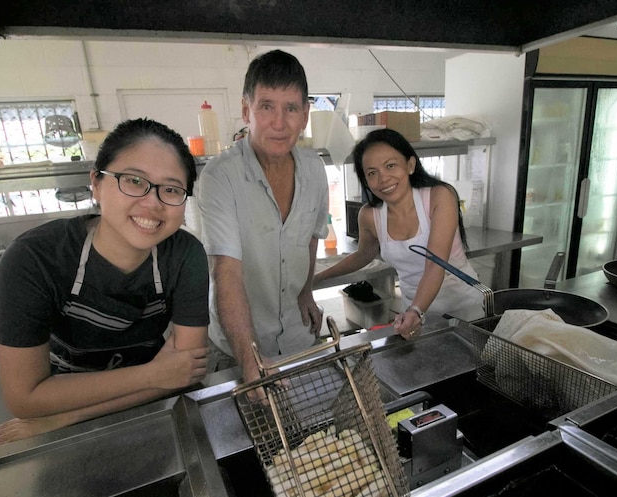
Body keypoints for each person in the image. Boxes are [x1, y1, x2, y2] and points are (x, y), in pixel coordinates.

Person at [0, 118, 210, 447]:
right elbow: (25, 398)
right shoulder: (34, 258)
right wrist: (153, 374)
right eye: (133, 181)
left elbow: (185, 371)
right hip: (70, 434)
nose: (153, 202)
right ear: (96, 183)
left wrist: (65, 415)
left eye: (171, 189)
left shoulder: (186, 256)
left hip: (153, 412)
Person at [197, 50, 329, 384]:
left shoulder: (314, 169)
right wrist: (250, 358)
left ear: (305, 114)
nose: (279, 123)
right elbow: (226, 271)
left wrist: (306, 292)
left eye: (291, 108)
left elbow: (312, 237)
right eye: (266, 106)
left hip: (300, 340)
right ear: (246, 110)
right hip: (239, 350)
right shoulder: (220, 177)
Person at [313, 128, 483, 339]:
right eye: (372, 173)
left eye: (390, 166)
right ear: (366, 181)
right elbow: (363, 255)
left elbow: (434, 264)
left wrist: (415, 310)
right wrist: (319, 276)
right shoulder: (370, 216)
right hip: (415, 314)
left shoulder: (439, 197)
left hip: (464, 310)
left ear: (410, 165)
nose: (383, 178)